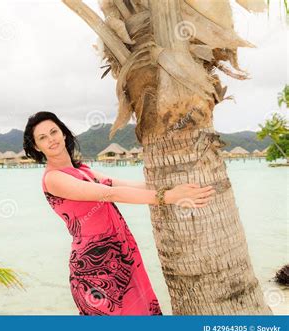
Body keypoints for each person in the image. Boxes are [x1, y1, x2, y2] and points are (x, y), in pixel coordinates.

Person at [23, 111, 215, 315]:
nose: (51, 139)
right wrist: (168, 197)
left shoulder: (83, 171)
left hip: (121, 254)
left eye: (54, 132)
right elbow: (109, 193)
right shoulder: (54, 179)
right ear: (36, 146)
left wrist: (173, 186)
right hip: (95, 267)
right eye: (42, 137)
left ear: (63, 133)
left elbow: (125, 184)